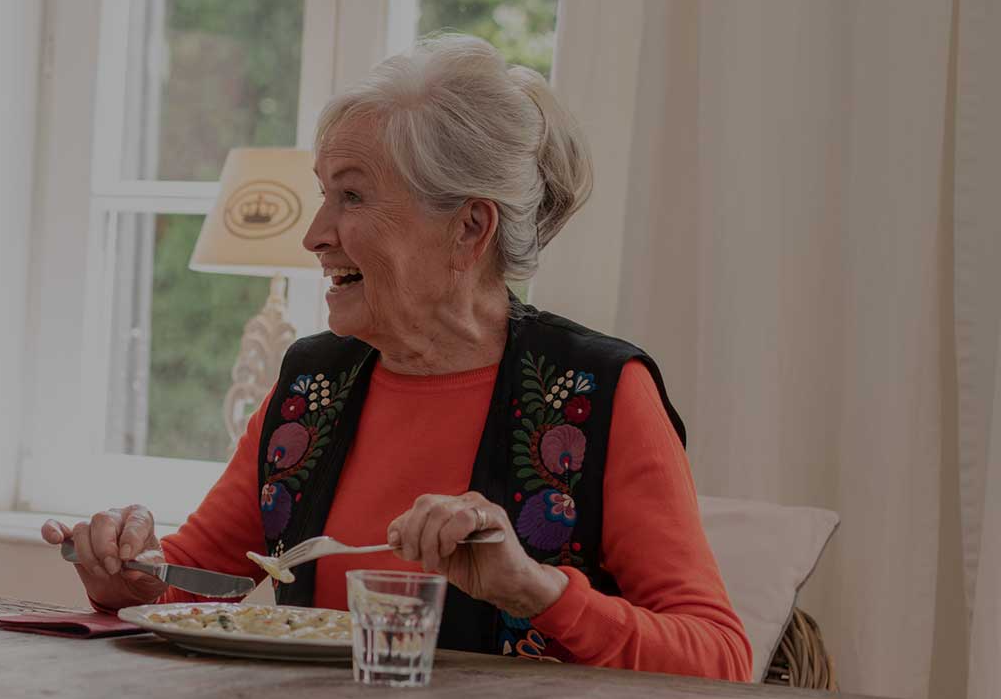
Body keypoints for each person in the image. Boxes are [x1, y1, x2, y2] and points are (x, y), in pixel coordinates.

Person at [43, 34, 751, 681]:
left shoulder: (599, 392)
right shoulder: (312, 384)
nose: (316, 235)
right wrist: (124, 573)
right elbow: (186, 582)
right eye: (325, 195)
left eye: (352, 196)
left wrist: (536, 590)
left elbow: (720, 659)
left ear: (469, 228)